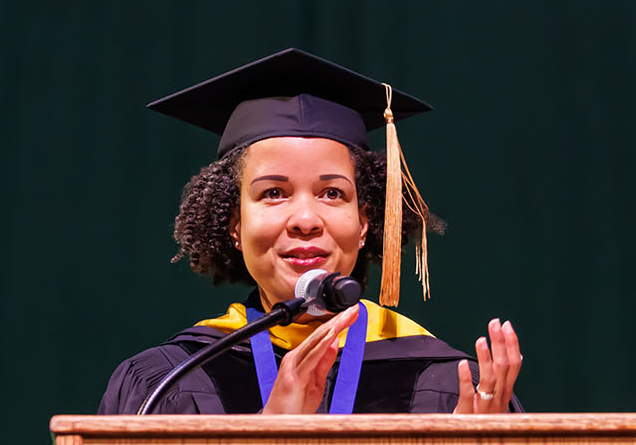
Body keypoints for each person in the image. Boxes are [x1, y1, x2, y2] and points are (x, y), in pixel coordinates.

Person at [97, 49, 524, 414]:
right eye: (274, 193)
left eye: (332, 193)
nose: (305, 219)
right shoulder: (166, 382)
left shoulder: (452, 384)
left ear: (364, 224)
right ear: (234, 225)